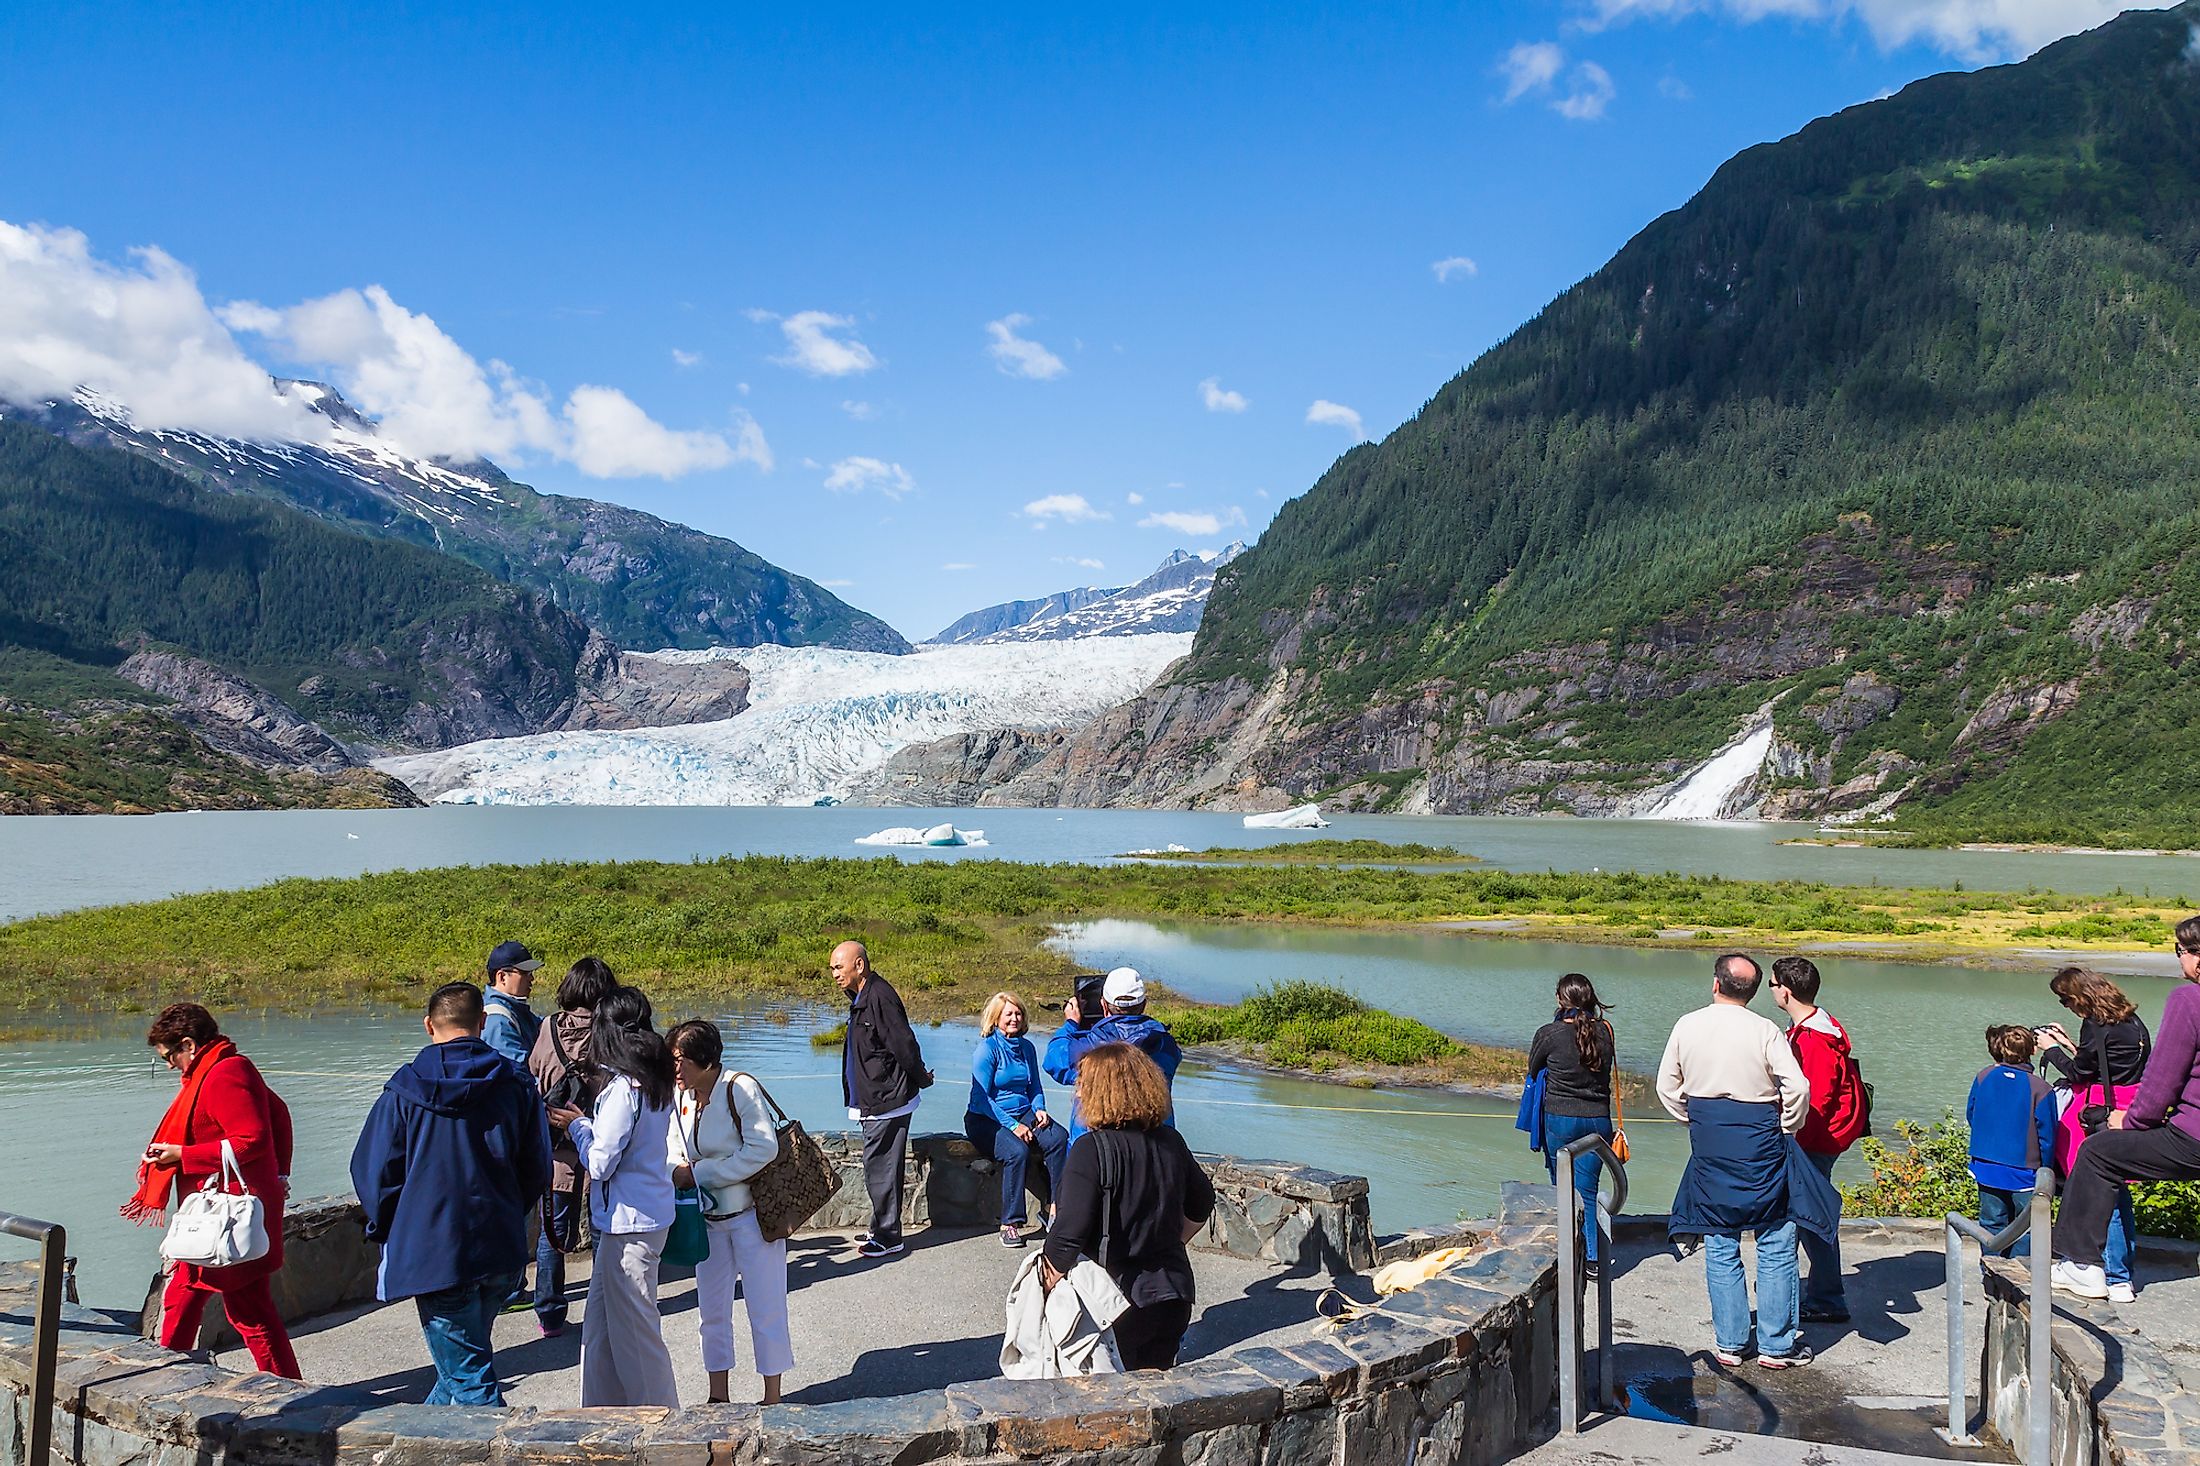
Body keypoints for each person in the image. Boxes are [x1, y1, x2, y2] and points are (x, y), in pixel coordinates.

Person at [351, 982, 552, 1406]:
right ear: (482, 1022)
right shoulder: (516, 1084)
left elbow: (373, 1170)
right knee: (457, 1368)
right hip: (499, 1245)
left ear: (429, 1025)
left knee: (469, 1379)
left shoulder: (404, 1090)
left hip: (434, 1250)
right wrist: (511, 1212)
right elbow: (537, 1166)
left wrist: (391, 1226)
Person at [1657, 953, 1837, 1370]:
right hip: (1761, 1134)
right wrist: (1787, 1126)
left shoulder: (1688, 1024)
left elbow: (1666, 1086)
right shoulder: (1765, 1029)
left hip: (1710, 1136)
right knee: (1775, 1239)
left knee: (1720, 1238)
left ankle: (1731, 1344)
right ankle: (1777, 1345)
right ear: (1754, 992)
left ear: (1715, 984)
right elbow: (1798, 1087)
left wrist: (1694, 1118)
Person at [127, 1003, 300, 1379]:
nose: (170, 1065)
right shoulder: (221, 1069)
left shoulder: (223, 1074)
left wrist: (182, 1155)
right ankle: (166, 1372)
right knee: (182, 1294)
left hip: (228, 1215)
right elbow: (279, 1115)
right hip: (213, 1213)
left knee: (249, 1310)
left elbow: (252, 1139)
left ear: (188, 1044)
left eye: (170, 1056)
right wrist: (279, 1175)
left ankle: (293, 1394)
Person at [1042, 1043, 1216, 1370]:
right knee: (1156, 1400)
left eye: (1083, 1082)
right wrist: (1175, 1241)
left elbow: (1068, 1235)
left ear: (1101, 1090)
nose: (1076, 1091)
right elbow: (1203, 1201)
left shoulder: (1090, 1150)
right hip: (1173, 1295)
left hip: (1114, 1301)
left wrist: (1041, 1288)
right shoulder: (1171, 1141)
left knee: (1105, 1409)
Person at [2054, 924, 2200, 1302]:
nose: (2179, 957)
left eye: (2180, 949)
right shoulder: (2130, 1020)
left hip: (2193, 1136)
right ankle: (2116, 1274)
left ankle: (2081, 1264)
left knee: (2099, 1153)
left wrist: (2132, 1122)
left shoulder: (2188, 1001)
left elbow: (2164, 1079)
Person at [554, 985, 680, 1406]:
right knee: (602, 1329)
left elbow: (601, 1163)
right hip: (639, 1218)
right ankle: (602, 1412)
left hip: (629, 1225)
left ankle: (661, 1421)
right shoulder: (653, 1082)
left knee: (637, 1336)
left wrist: (578, 1127)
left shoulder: (625, 1090)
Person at [667, 1019, 794, 1404]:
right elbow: (675, 1144)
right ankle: (717, 1396)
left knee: (766, 1306)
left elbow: (763, 1148)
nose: (674, 1069)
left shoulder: (739, 1087)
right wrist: (677, 1169)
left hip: (753, 1219)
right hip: (708, 1222)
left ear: (704, 1060)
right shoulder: (682, 1096)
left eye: (680, 1060)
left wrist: (700, 1173)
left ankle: (772, 1397)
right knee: (711, 1311)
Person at [2039, 965, 2151, 1303]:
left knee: (2104, 1190)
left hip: (2098, 1112)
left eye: (2065, 1001)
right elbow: (2104, 1064)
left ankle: (2114, 1276)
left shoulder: (2096, 1025)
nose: (2067, 1007)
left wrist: (2050, 1049)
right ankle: (2122, 1268)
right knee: (2118, 1191)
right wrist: (2069, 1042)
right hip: (2128, 1105)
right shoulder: (2130, 1021)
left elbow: (2078, 1072)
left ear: (2077, 997)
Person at [1768, 956, 1869, 1324]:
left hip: (1814, 1138)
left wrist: (1789, 1137)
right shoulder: (1817, 1026)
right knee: (1808, 1215)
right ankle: (1811, 1293)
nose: (1772, 991)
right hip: (1819, 1137)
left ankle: (1825, 1297)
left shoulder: (1813, 1039)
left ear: (1787, 991)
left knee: (1810, 1217)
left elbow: (1817, 1098)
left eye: (1774, 985)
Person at [525, 956, 615, 1338]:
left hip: (555, 1146)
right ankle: (605, 1308)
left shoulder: (547, 1027)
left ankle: (548, 1314)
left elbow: (533, 1073)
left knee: (552, 1233)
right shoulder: (609, 1032)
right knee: (602, 1232)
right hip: (599, 1143)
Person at [832, 939, 934, 1259]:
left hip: (888, 1099)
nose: (834, 974)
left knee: (882, 1167)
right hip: (875, 1097)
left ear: (858, 965)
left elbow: (903, 1043)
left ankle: (889, 1235)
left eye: (838, 967)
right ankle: (881, 1226)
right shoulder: (862, 995)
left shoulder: (879, 996)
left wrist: (919, 1079)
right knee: (876, 1165)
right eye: (832, 968)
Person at [1524, 973, 1617, 1275]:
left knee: (1561, 1188)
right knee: (1588, 1192)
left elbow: (1533, 1067)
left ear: (1559, 999)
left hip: (1560, 1117)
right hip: (1598, 1121)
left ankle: (1567, 1256)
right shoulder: (1606, 1032)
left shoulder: (1549, 1033)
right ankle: (1592, 1259)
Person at [967, 991, 1070, 1247]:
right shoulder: (987, 1049)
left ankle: (1054, 1208)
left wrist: (1040, 1109)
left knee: (1058, 1137)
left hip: (1024, 1111)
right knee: (1017, 1152)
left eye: (1018, 1013)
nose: (1014, 1018)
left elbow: (1034, 1086)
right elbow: (981, 1099)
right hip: (985, 1117)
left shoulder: (1026, 1048)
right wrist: (1013, 1126)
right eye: (1008, 1014)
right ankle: (1010, 1223)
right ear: (996, 1018)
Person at [1044, 967, 1183, 1142]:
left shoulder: (1090, 1045)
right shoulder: (1164, 1043)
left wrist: (1071, 1024)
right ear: (1144, 1004)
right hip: (1155, 1142)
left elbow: (1055, 1062)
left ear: (1103, 1005)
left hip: (1094, 1144)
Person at [1966, 1025, 2059, 1259]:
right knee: (2026, 1227)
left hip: (1985, 1165)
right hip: (2024, 1171)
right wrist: (2046, 1169)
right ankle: (2019, 1274)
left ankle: (1991, 1271)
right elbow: (2047, 1135)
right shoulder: (2041, 1088)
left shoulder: (1983, 1076)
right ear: (2032, 1050)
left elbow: (1971, 1114)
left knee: (1990, 1223)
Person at [481, 940, 545, 1071]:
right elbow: (519, 1072)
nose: (531, 978)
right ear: (502, 977)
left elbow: (543, 1027)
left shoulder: (514, 1008)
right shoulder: (498, 1021)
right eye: (525, 973)